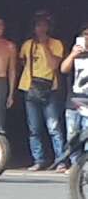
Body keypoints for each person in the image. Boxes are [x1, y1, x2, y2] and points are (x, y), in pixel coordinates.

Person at [18, 10, 66, 171]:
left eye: (44, 25)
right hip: (30, 88)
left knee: (54, 127)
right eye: (38, 25)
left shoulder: (56, 44)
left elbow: (54, 65)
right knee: (34, 128)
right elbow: (22, 62)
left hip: (50, 89)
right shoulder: (27, 45)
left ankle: (61, 160)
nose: (41, 28)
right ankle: (38, 160)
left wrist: (44, 45)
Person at [59, 21, 88, 169]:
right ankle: (75, 165)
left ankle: (86, 165)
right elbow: (63, 69)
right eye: (85, 35)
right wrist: (73, 54)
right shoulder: (75, 54)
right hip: (73, 101)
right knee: (72, 134)